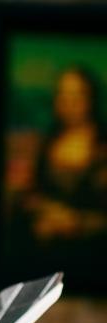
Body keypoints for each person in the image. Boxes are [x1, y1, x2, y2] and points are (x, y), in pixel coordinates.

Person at [7, 64, 107, 292]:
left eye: (77, 95)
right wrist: (42, 209)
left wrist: (75, 222)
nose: (69, 102)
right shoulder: (49, 143)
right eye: (63, 94)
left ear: (90, 97)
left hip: (91, 255)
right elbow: (32, 192)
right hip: (45, 252)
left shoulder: (101, 148)